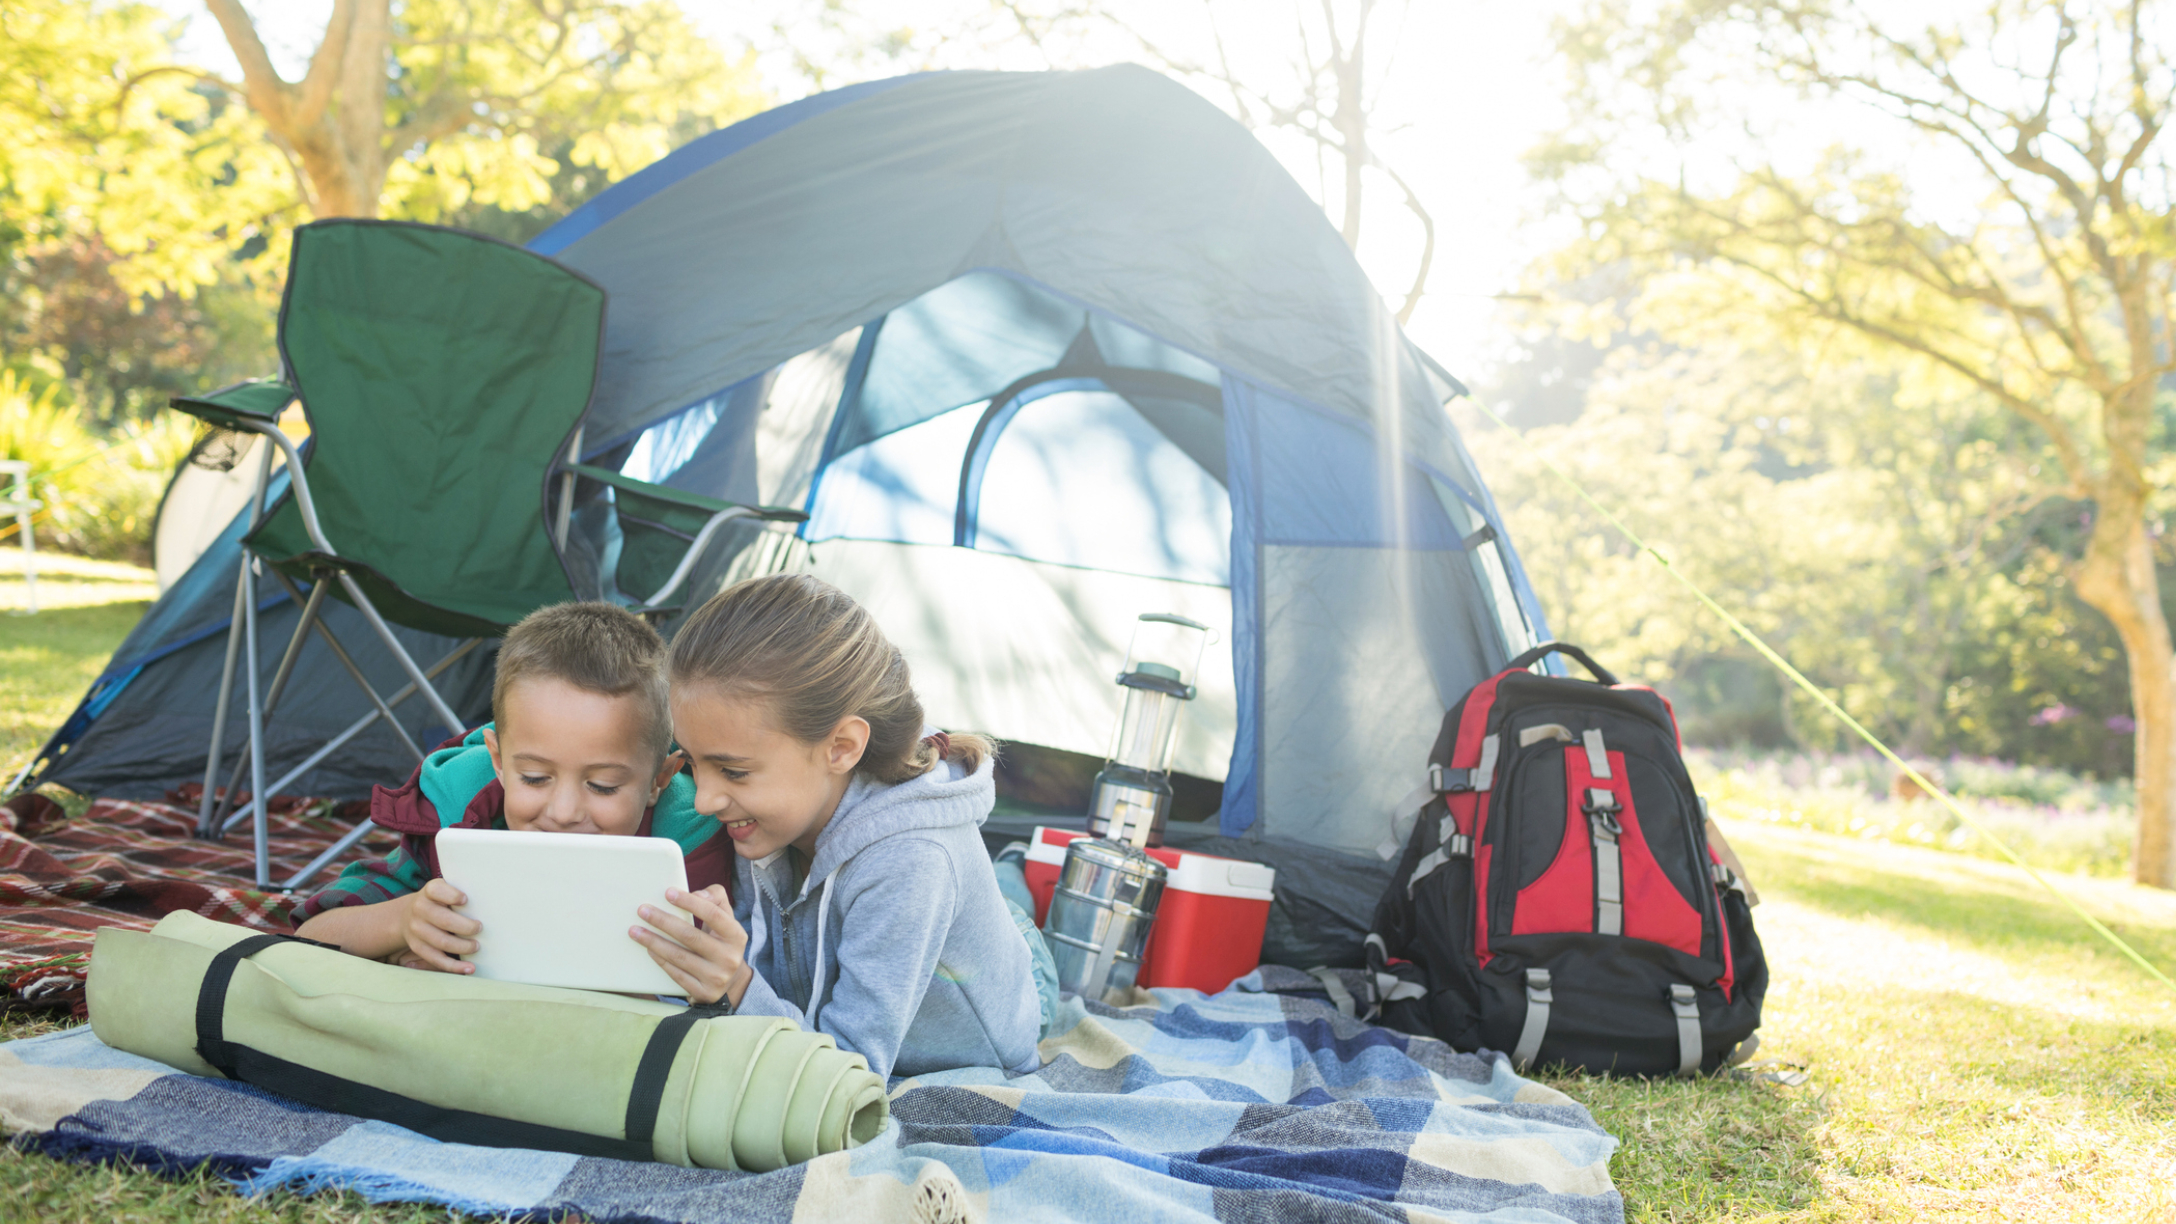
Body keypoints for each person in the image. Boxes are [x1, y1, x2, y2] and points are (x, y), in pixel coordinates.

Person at [631, 573, 1050, 1079]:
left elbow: (852, 1070)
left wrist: (737, 988)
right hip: (920, 928)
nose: (705, 798)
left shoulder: (911, 861)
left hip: (994, 1005)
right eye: (694, 763)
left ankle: (1013, 872)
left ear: (841, 748)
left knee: (1021, 928)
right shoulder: (767, 814)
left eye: (734, 771)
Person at [294, 602, 731, 993]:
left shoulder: (689, 849)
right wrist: (403, 921)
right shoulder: (462, 819)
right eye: (536, 778)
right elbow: (309, 935)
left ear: (660, 779)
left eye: (602, 787)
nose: (562, 813)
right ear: (499, 763)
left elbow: (710, 985)